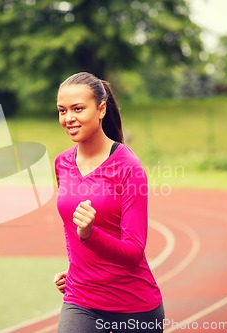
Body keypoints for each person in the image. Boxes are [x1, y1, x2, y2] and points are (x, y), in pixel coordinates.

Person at [53, 72, 164, 333]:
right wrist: (77, 269)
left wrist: (91, 235)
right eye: (62, 110)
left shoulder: (129, 168)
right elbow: (72, 233)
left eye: (78, 109)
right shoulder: (62, 163)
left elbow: (134, 253)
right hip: (81, 299)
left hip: (134, 307)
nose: (68, 118)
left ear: (101, 109)